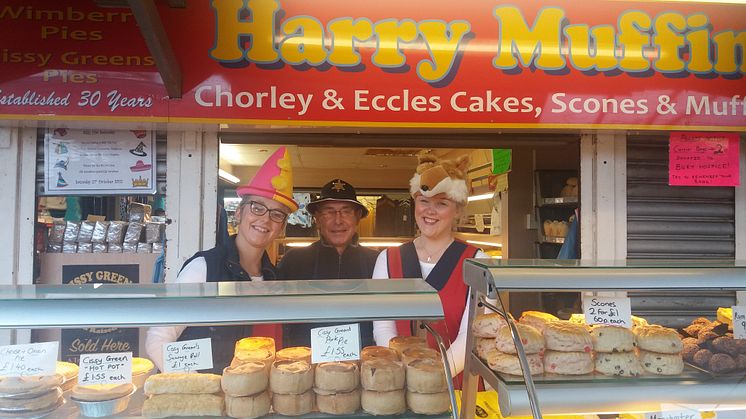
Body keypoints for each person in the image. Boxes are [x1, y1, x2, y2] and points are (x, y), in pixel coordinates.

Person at [145, 147, 298, 373]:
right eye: (257, 207)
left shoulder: (275, 278)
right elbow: (158, 339)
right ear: (239, 213)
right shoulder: (204, 268)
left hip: (255, 400)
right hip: (209, 400)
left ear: (282, 226)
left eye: (276, 214)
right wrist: (198, 389)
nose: (265, 219)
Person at [373, 152, 487, 380]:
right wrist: (406, 375)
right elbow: (383, 328)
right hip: (401, 383)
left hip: (458, 388)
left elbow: (471, 335)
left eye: (441, 203)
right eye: (424, 201)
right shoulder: (387, 259)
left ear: (458, 210)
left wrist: (434, 376)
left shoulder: (478, 261)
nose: (429, 210)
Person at [278, 179, 378, 348]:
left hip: (365, 363)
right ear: (317, 218)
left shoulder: (377, 261)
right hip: (305, 363)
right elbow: (280, 317)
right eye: (329, 212)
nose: (338, 221)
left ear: (357, 218)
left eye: (346, 212)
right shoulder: (293, 260)